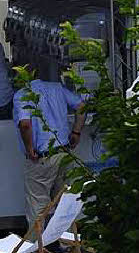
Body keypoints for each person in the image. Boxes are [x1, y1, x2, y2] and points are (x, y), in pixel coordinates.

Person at [13, 71, 86, 231]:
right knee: (64, 203)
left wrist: (29, 148)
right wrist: (76, 132)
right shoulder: (57, 88)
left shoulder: (23, 94)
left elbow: (25, 124)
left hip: (41, 157)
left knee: (37, 207)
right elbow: (81, 106)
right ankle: (68, 247)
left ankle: (37, 252)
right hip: (63, 152)